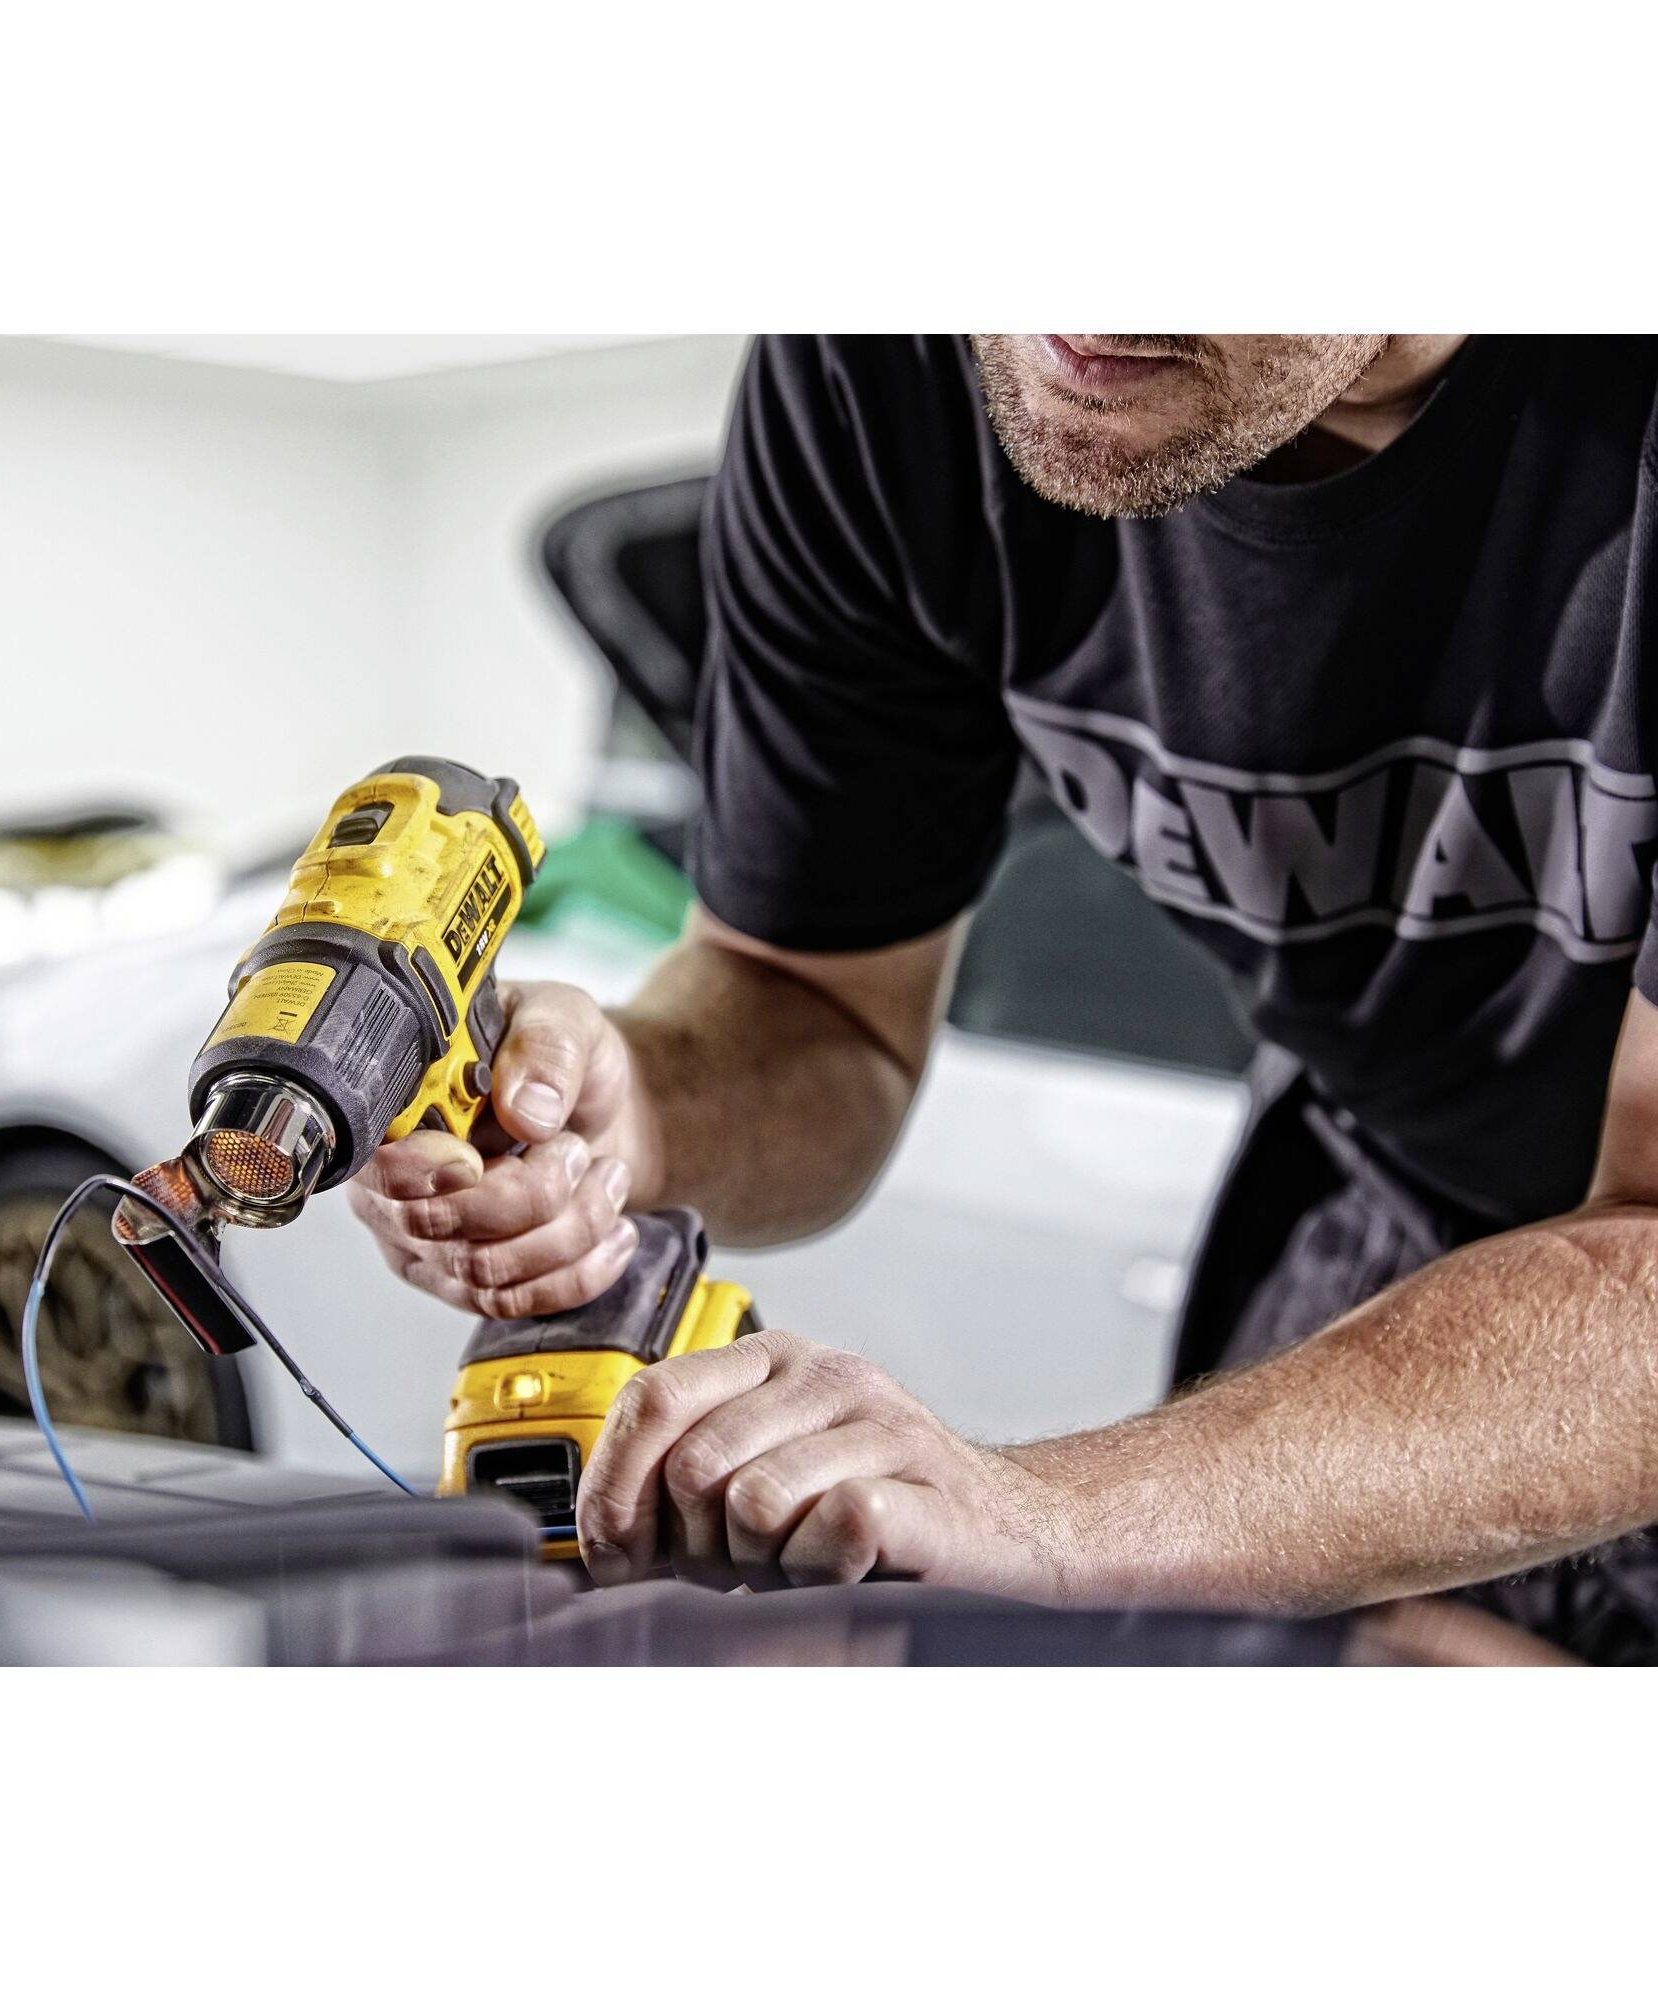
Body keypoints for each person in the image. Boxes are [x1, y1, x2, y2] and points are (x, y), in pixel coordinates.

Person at [349, 335, 1658, 1662]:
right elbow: (808, 998)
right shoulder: (893, 368)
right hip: (1390, 1203)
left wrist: (1059, 1520)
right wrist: (635, 1107)